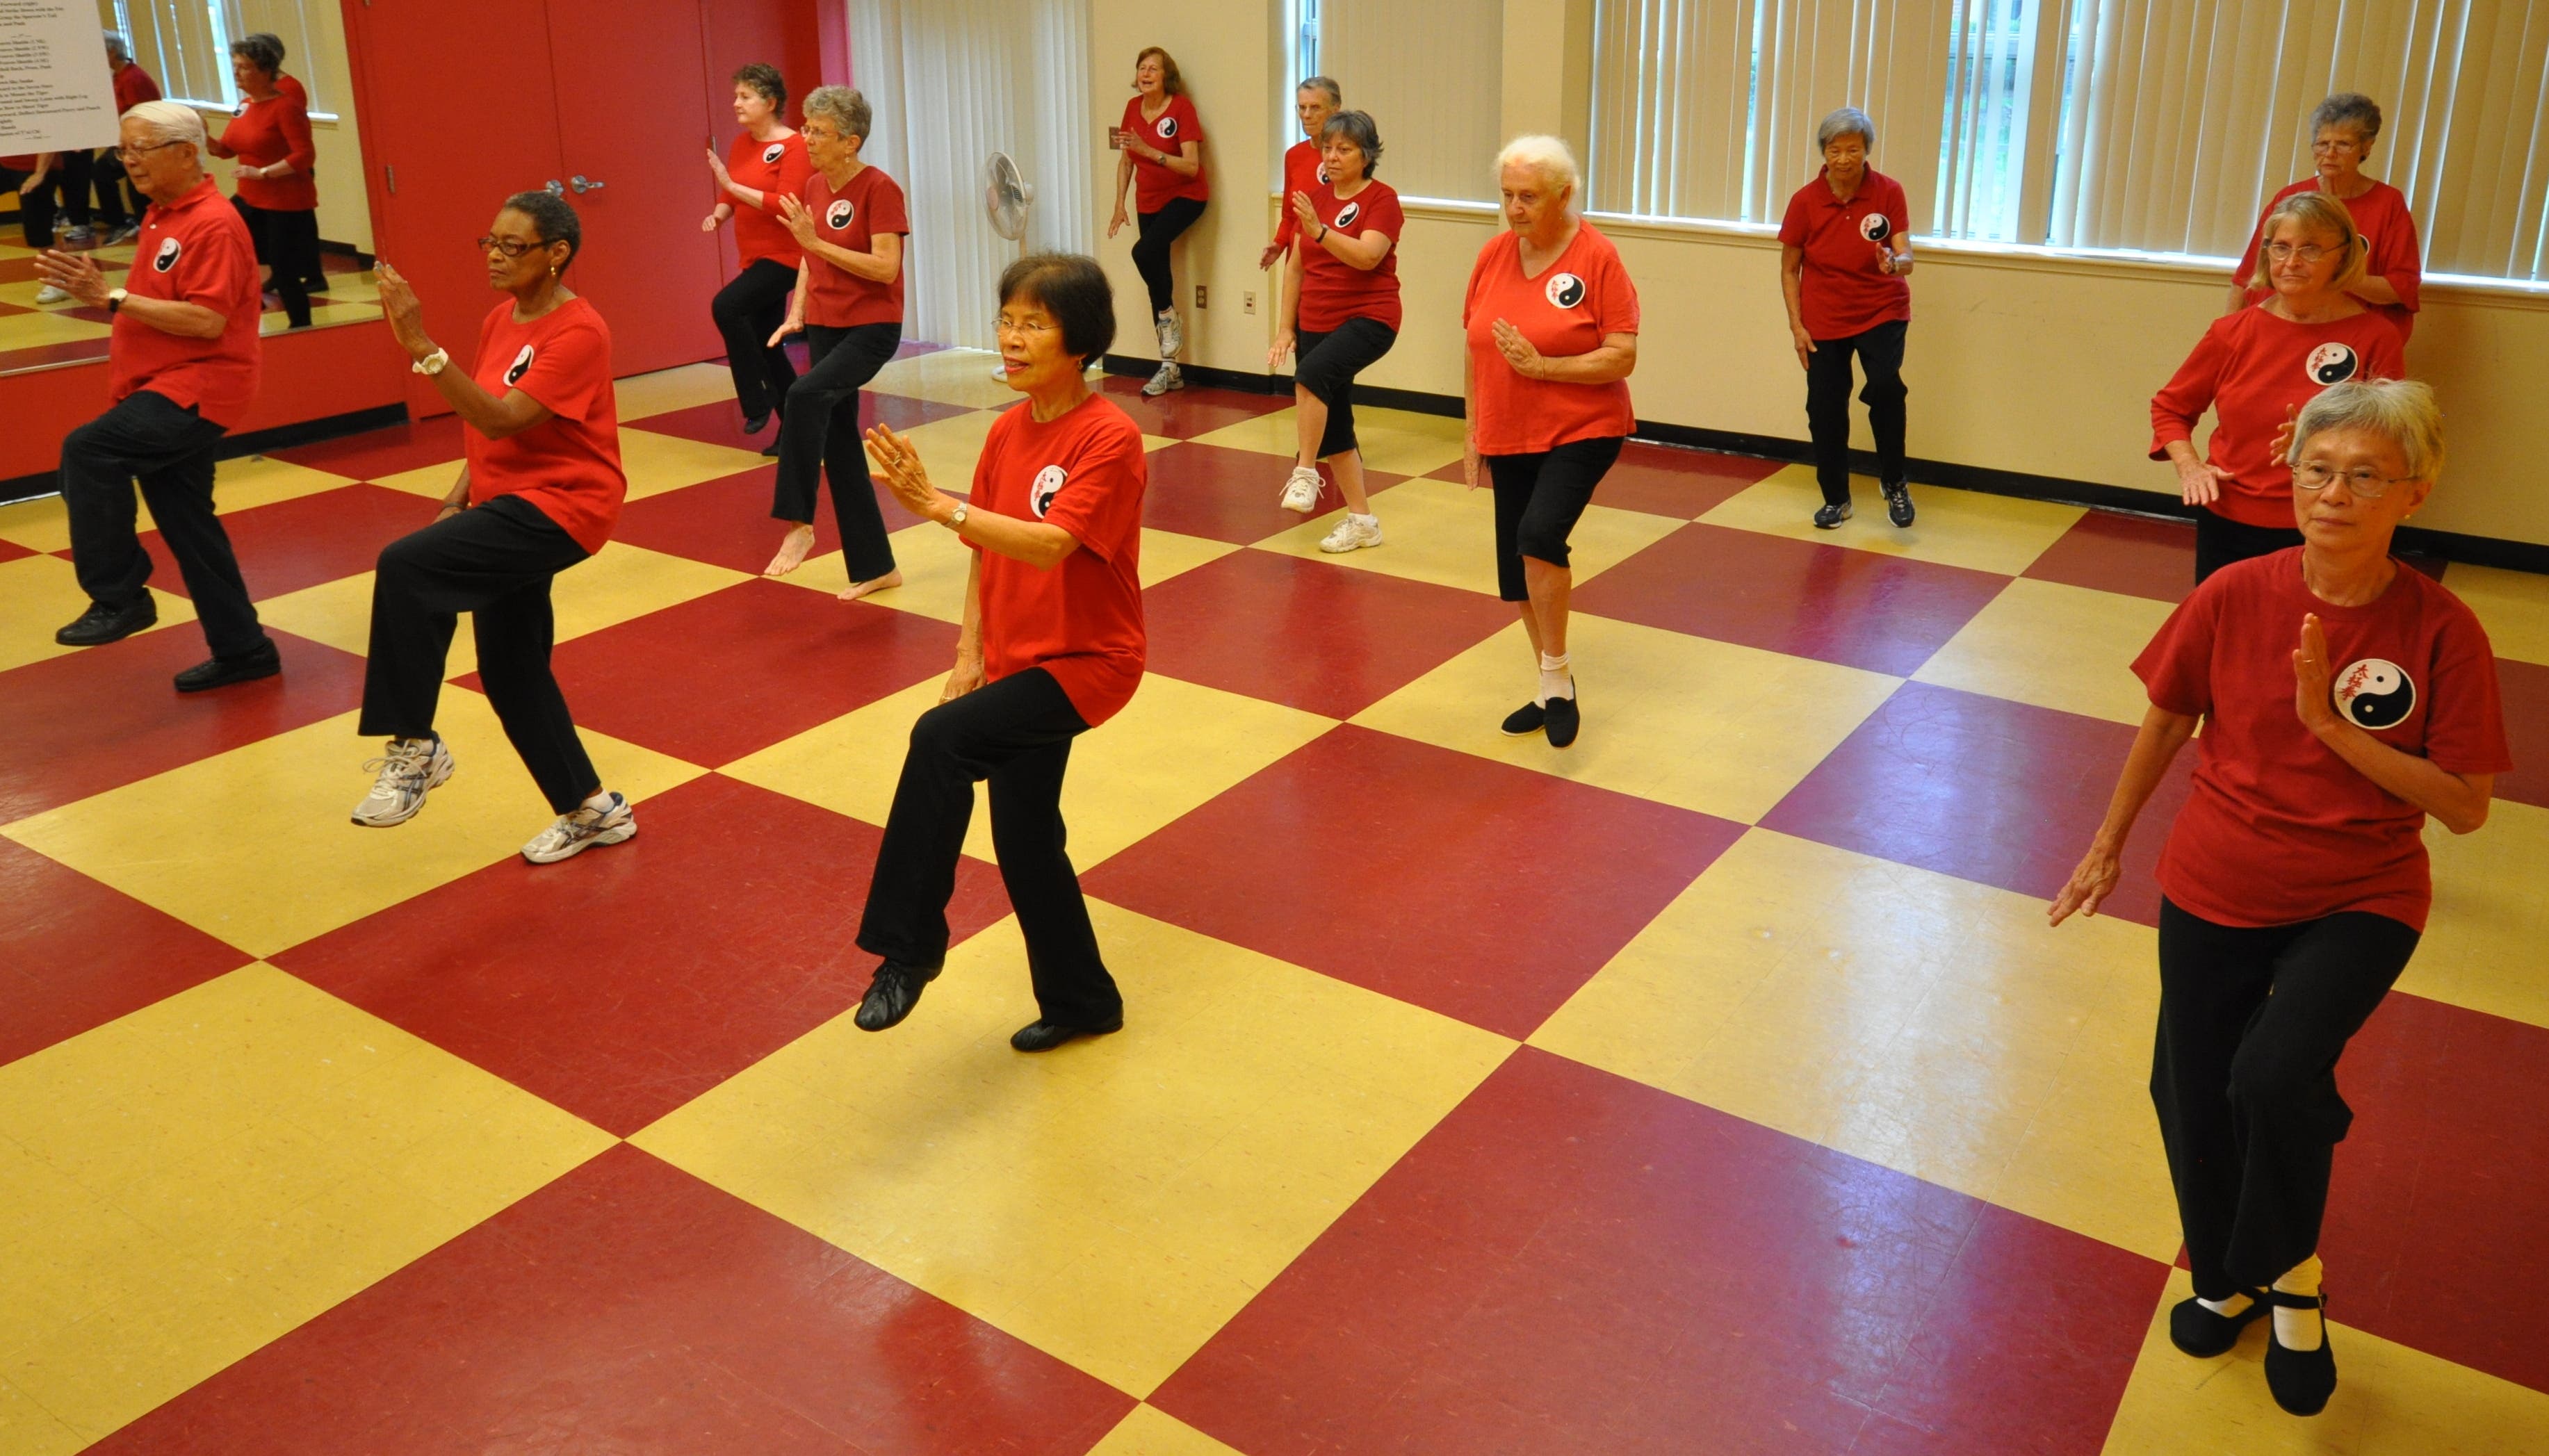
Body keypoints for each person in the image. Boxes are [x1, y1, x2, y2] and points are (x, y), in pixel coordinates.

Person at [2051, 379, 2507, 1420]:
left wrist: (2333, 727)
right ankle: (2224, 1271)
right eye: (2316, 470)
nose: (2332, 494)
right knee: (2186, 1088)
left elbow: (2465, 807)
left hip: (2360, 892)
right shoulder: (2231, 593)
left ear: (2414, 492)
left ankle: (2292, 1281)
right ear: (2288, 476)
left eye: (2364, 476)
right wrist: (2106, 845)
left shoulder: (2442, 628)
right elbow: (2166, 719)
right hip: (2216, 876)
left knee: (2270, 1075)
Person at [850, 253, 1145, 1053]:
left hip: (1088, 661)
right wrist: (968, 654)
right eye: (1006, 321)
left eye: (1033, 325)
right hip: (1017, 657)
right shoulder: (1007, 430)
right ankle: (1084, 1001)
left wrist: (936, 507)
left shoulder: (1110, 436)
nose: (1011, 339)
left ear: (1078, 341)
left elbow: (1050, 544)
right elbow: (988, 553)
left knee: (939, 741)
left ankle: (908, 948)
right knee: (1024, 837)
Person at [353, 193, 640, 865]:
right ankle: (592, 809)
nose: (495, 257)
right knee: (510, 668)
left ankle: (415, 744)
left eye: (514, 246)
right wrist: (458, 499)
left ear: (557, 254)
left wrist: (421, 345)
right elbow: (486, 427)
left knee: (406, 565)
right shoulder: (499, 319)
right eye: (490, 242)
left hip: (564, 507)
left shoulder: (580, 332)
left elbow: (502, 418)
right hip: (506, 503)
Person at [35, 101, 278, 691]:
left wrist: (111, 297)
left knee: (90, 450)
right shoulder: (162, 214)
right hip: (161, 384)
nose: (129, 162)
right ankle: (244, 649)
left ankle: (120, 597)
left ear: (187, 153)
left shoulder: (213, 223)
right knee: (188, 523)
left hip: (197, 388)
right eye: (124, 151)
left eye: (140, 150)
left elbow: (207, 321)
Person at [1460, 136, 1638, 751]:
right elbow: (1474, 346)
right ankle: (1550, 684)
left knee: (1538, 536)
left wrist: (1544, 368)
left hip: (1583, 427)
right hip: (1508, 428)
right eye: (1507, 195)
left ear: (1563, 195)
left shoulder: (1597, 257)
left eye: (1529, 197)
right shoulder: (1492, 255)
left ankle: (1557, 679)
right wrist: (1472, 430)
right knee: (1517, 570)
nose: (1514, 208)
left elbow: (1622, 355)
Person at [2155, 191, 2405, 582]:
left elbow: (2394, 439)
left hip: (2326, 520)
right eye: (2281, 248)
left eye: (2310, 249)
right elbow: (2170, 408)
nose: (2291, 262)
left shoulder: (2376, 337)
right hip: (2228, 519)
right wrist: (2190, 467)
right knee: (2225, 618)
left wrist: (2320, 444)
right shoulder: (2231, 332)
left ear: (2342, 256)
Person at [758, 85, 908, 596]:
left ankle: (799, 522)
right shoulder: (815, 185)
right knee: (841, 443)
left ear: (850, 141)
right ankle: (876, 566)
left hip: (871, 326)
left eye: (819, 132)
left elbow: (885, 267)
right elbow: (809, 257)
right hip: (825, 323)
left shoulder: (880, 189)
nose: (808, 138)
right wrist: (797, 312)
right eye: (806, 128)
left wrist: (815, 243)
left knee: (802, 396)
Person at [1268, 109, 1401, 553]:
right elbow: (1296, 268)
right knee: (1336, 427)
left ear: (1366, 155)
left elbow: (1367, 256)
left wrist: (1320, 231)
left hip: (1370, 318)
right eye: (1328, 148)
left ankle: (1305, 471)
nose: (1333, 156)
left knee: (1310, 376)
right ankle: (1363, 521)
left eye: (1344, 149)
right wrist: (1285, 329)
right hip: (1316, 320)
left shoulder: (1382, 199)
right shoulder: (1314, 198)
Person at [1779, 106, 1915, 530]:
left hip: (1882, 309)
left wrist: (1894, 264)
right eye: (1835, 150)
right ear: (1824, 151)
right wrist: (1797, 327)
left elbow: (1907, 256)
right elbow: (1790, 269)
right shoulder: (1805, 201)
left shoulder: (1888, 191)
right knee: (1824, 407)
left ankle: (1894, 483)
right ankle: (1836, 499)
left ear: (1866, 150)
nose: (1843, 159)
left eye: (1853, 150)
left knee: (1886, 390)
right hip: (1825, 317)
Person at [2231, 95, 2420, 341]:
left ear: (2366, 147)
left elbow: (2401, 288)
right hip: (2279, 330)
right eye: (2322, 144)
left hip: (2349, 337)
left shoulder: (2388, 203)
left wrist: (2334, 274)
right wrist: (2229, 337)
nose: (2330, 153)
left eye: (2343, 144)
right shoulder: (2290, 198)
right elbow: (2246, 277)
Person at [703, 63, 811, 443]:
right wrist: (720, 213)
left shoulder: (795, 146)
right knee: (768, 344)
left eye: (745, 96)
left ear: (770, 102)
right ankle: (797, 433)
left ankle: (756, 399)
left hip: (787, 256)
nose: (736, 103)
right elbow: (732, 191)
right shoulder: (741, 143)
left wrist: (733, 187)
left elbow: (786, 203)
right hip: (755, 257)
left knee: (726, 307)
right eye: (736, 96)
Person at [1107, 47, 1207, 396]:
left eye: (1154, 68)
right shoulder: (1132, 108)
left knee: (1143, 252)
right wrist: (1119, 204)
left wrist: (1150, 151)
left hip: (1186, 197)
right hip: (1147, 201)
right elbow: (1126, 162)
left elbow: (1191, 166)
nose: (1146, 74)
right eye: (1142, 68)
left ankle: (1168, 315)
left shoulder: (1182, 108)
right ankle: (1170, 369)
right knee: (1157, 275)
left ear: (1167, 77)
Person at [206, 31, 319, 329]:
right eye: (235, 66)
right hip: (250, 197)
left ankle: (302, 327)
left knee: (284, 271)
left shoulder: (286, 107)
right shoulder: (245, 105)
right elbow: (227, 150)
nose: (236, 73)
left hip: (285, 201)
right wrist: (201, 135)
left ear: (265, 71)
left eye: (244, 67)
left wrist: (263, 173)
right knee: (224, 246)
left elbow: (304, 155)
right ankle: (247, 308)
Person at [1260, 76, 1339, 270]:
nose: (1307, 115)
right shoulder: (1294, 156)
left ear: (1335, 110)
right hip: (1299, 257)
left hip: (1334, 255)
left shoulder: (1345, 157)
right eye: (1302, 108)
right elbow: (1290, 215)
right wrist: (1279, 244)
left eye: (1315, 107)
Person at [91, 30, 162, 245]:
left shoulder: (133, 78)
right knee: (103, 172)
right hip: (129, 141)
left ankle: (143, 227)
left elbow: (141, 115)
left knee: (133, 185)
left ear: (112, 52)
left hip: (143, 142)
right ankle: (124, 223)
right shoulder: (119, 76)